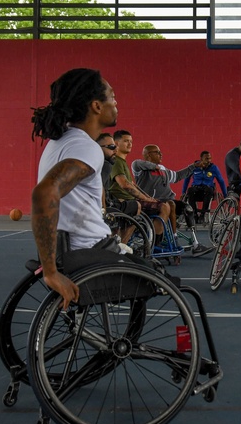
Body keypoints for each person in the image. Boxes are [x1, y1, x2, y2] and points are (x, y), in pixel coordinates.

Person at [30, 68, 119, 309]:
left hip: (66, 249)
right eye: (112, 96)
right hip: (89, 253)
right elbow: (43, 194)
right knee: (165, 280)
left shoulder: (60, 141)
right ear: (96, 106)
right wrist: (50, 272)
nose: (116, 102)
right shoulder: (86, 148)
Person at [132, 145, 211, 255]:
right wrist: (156, 166)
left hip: (168, 201)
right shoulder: (139, 168)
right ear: (148, 155)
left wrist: (193, 166)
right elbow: (139, 164)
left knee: (187, 208)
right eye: (157, 152)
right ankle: (173, 239)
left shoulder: (163, 170)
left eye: (160, 152)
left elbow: (178, 176)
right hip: (152, 203)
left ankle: (196, 244)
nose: (161, 154)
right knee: (170, 204)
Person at [108, 130, 172, 232]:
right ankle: (156, 244)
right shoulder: (117, 162)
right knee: (164, 207)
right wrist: (146, 199)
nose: (130, 144)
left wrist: (148, 198)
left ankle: (159, 237)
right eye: (126, 141)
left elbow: (132, 184)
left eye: (131, 141)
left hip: (131, 200)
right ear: (116, 143)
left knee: (167, 204)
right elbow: (125, 185)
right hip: (124, 202)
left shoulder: (122, 162)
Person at [97, 132, 141, 244]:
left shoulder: (101, 163)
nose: (115, 150)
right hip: (102, 209)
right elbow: (100, 187)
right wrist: (103, 212)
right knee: (137, 205)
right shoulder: (106, 164)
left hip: (109, 203)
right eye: (112, 147)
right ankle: (121, 245)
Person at [182, 150, 228, 220]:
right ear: (201, 159)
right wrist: (183, 192)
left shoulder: (214, 168)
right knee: (190, 190)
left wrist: (225, 195)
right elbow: (186, 180)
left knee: (209, 189)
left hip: (207, 191)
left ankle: (203, 215)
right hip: (196, 190)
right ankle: (194, 214)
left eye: (210, 158)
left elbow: (221, 181)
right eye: (206, 159)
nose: (209, 160)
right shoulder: (194, 167)